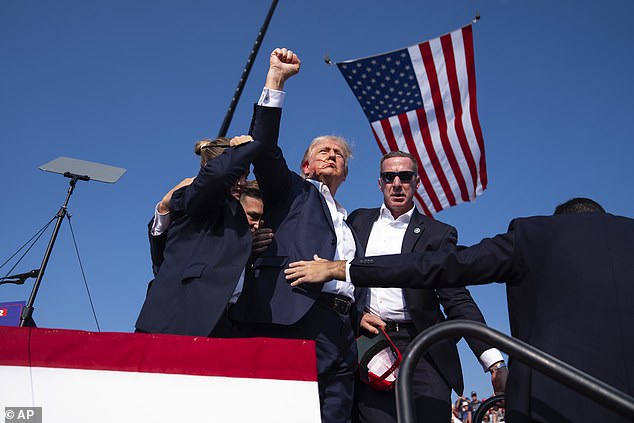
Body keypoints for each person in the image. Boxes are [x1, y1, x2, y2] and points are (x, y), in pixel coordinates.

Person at [285, 198, 634, 422]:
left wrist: (342, 268)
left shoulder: (534, 235)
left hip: (556, 392)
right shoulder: (360, 221)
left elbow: (441, 268)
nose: (397, 184)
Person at [229, 48, 359, 423]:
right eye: (323, 151)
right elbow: (264, 147)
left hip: (343, 332)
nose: (331, 155)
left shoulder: (350, 222)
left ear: (346, 173)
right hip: (294, 319)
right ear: (306, 165)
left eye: (338, 154)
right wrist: (276, 80)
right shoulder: (290, 191)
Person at [348, 151, 505, 423]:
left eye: (405, 176)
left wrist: (494, 361)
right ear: (380, 183)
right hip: (372, 342)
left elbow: (456, 298)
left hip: (424, 345)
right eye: (389, 176)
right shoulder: (357, 222)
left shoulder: (438, 234)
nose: (397, 183)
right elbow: (342, 281)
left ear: (417, 183)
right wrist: (356, 316)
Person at [135, 125, 271, 337]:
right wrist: (243, 149)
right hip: (179, 321)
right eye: (239, 175)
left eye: (246, 176)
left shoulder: (230, 222)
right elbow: (219, 175)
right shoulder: (194, 193)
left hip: (220, 324)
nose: (242, 183)